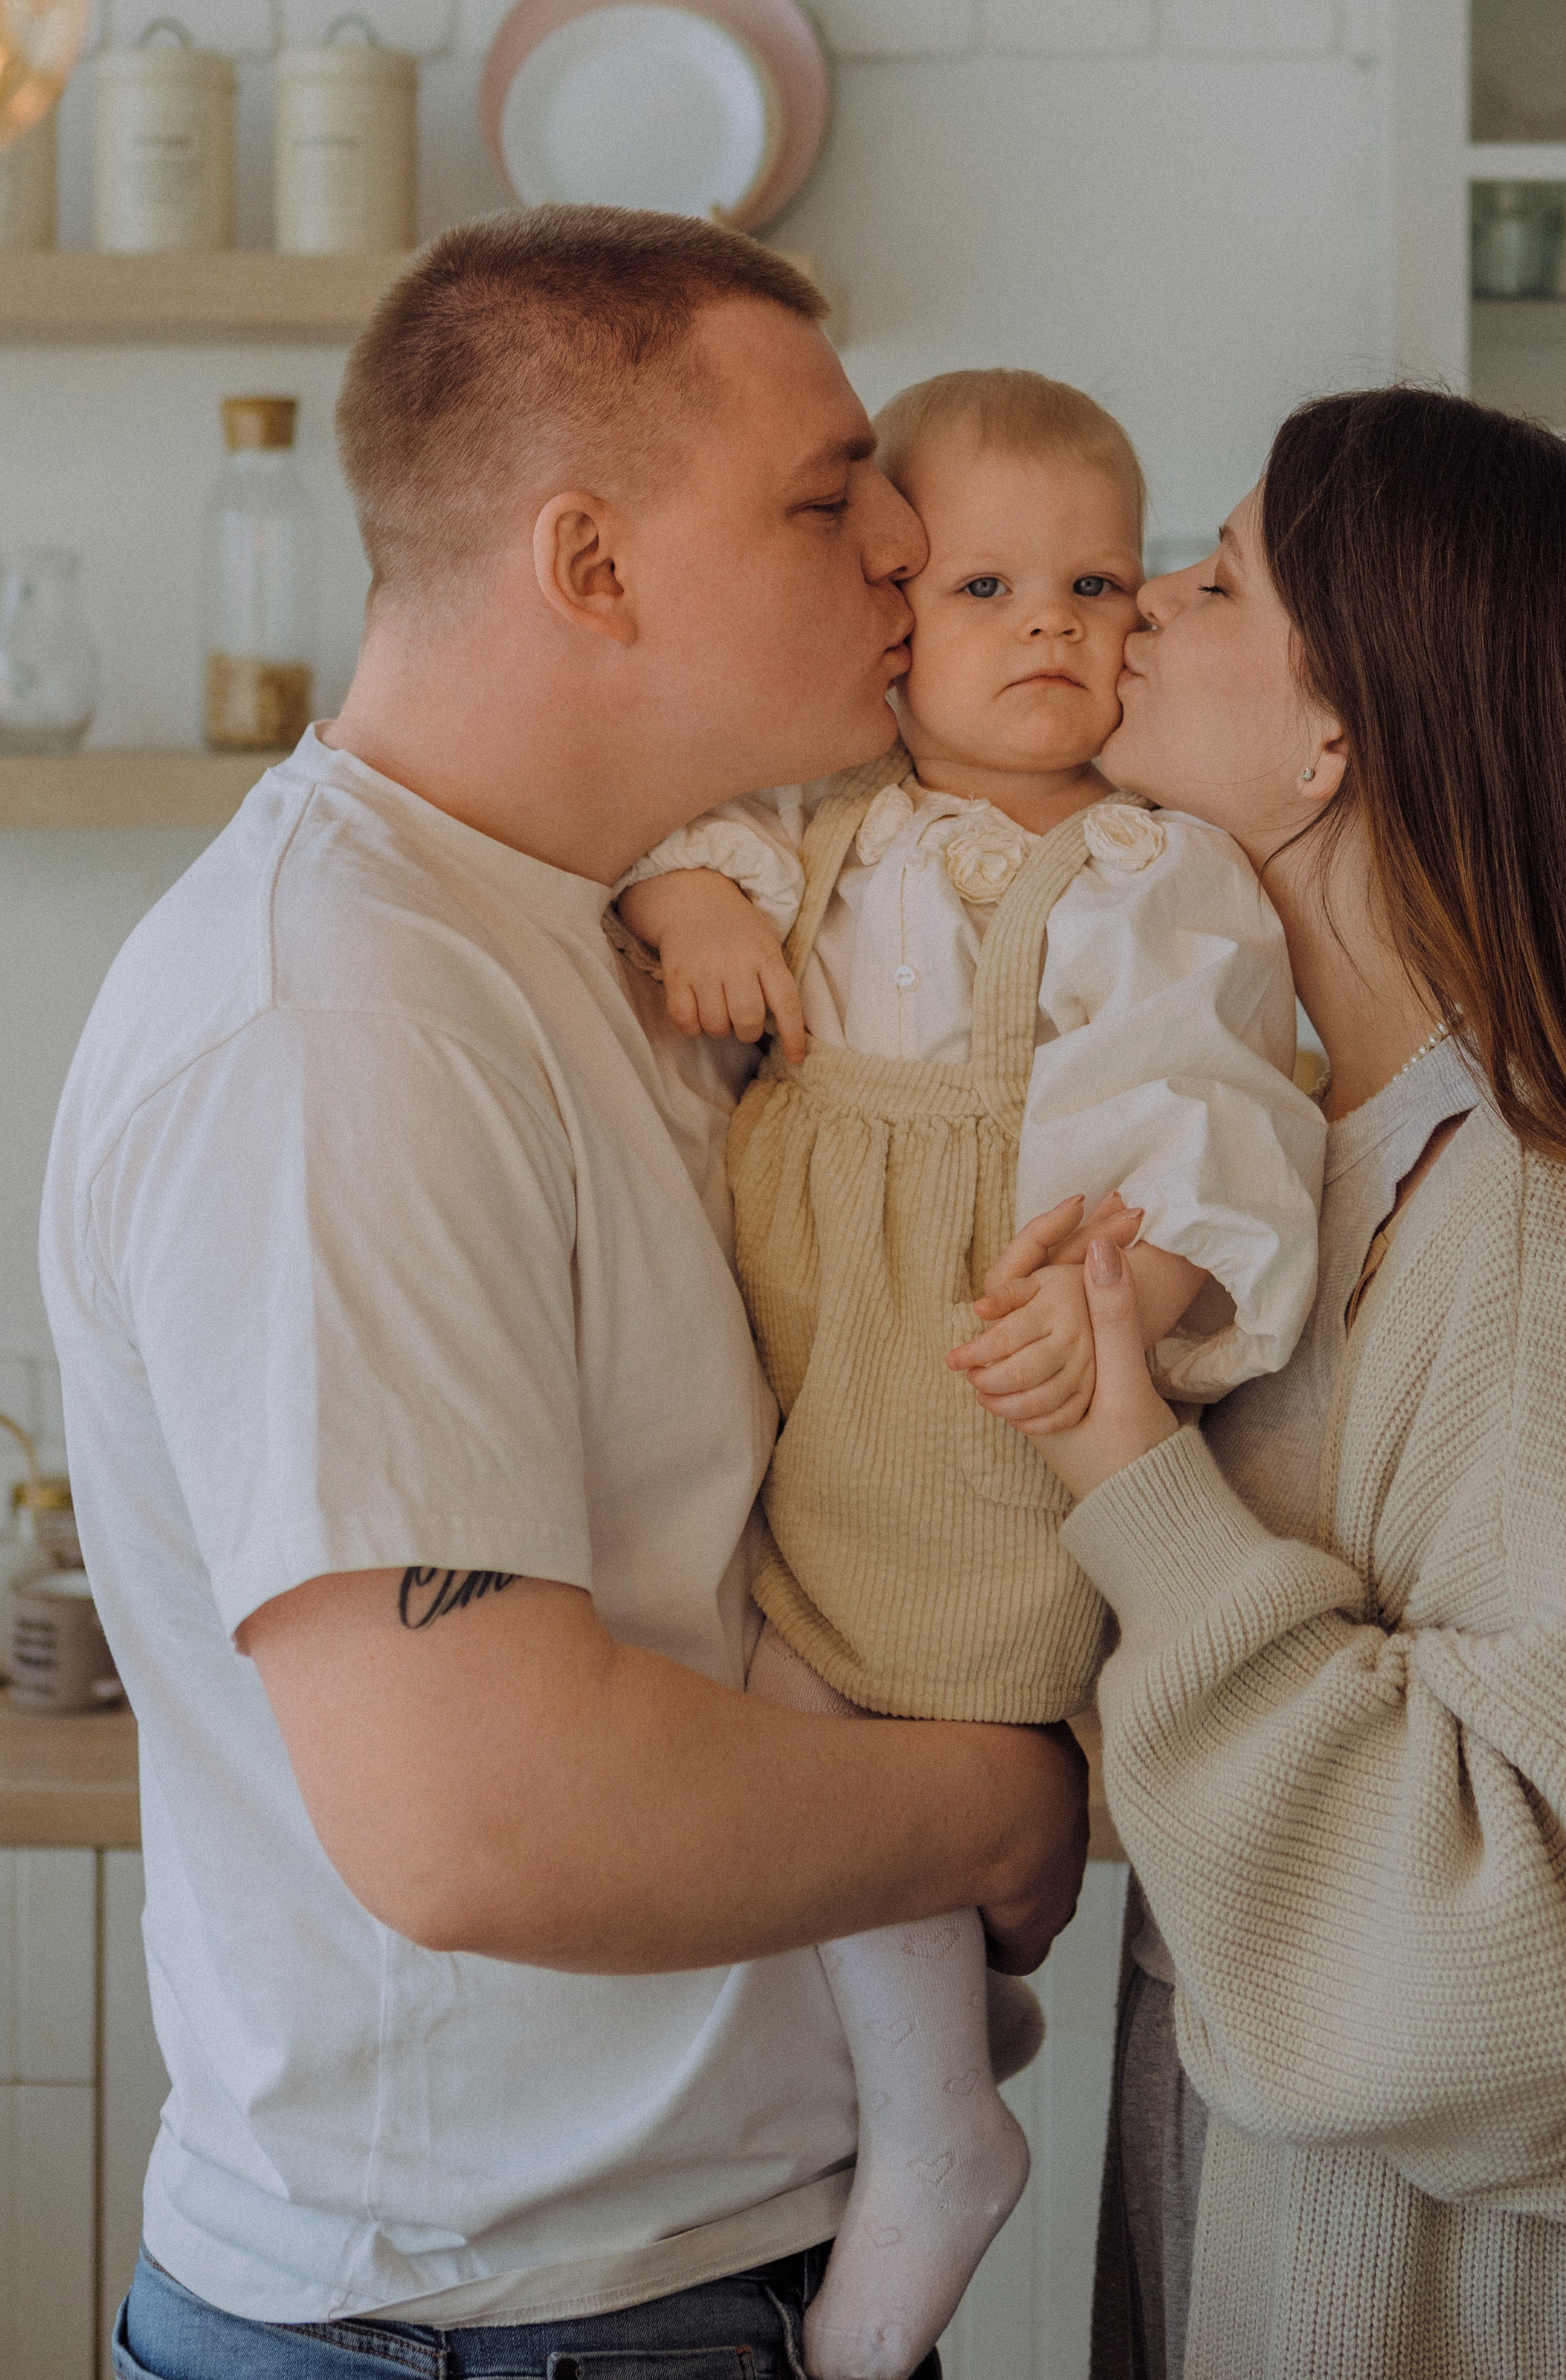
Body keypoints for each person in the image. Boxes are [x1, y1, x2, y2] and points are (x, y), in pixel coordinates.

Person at [38, 207, 1089, 2380]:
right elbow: (485, 1817)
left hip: (655, 2289)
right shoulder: (337, 1028)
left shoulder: (590, 932)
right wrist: (1006, 1802)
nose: (906, 542)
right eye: (828, 498)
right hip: (487, 2329)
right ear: (592, 569)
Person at [961, 385, 1566, 2380]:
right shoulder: (1348, 1164)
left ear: (1337, 734)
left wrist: (1131, 1467)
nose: (1136, 607)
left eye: (1216, 581)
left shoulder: (1539, 1244)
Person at [617, 366, 1324, 2379]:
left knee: (883, 1717)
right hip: (818, 1394)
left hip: (980, 1393)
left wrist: (1149, 1284)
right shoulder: (819, 830)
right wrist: (686, 911)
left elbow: (1224, 1113)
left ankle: (941, 2132)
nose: (1049, 627)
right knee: (784, 1697)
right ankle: (938, 2031)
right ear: (895, 619)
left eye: (1101, 584)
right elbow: (686, 847)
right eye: (990, 582)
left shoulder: (1155, 874)